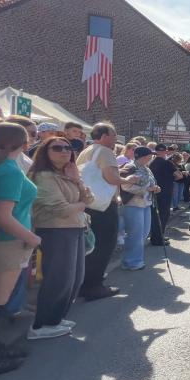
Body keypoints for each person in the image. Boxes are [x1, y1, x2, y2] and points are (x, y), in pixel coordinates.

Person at [27, 136, 93, 340]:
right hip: (54, 230)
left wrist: (77, 180)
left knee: (74, 278)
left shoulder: (67, 173)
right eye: (57, 148)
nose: (65, 151)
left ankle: (56, 317)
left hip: (74, 228)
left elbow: (90, 197)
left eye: (68, 148)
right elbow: (61, 209)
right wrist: (82, 206)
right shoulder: (43, 176)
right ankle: (42, 324)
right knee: (58, 278)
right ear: (45, 152)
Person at [0, 123, 40, 374]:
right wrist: (33, 238)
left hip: (1, 241)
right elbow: (3, 216)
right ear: (25, 144)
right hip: (9, 243)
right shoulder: (9, 169)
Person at [76, 123, 138, 300]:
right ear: (103, 136)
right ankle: (94, 286)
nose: (115, 140)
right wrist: (128, 179)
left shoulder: (86, 151)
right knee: (104, 244)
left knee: (91, 245)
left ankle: (84, 283)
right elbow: (112, 178)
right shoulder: (104, 151)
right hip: (103, 205)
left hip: (88, 203)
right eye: (113, 135)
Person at [119, 147, 160, 270]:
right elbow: (125, 186)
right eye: (149, 156)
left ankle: (133, 258)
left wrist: (156, 188)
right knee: (135, 233)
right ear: (141, 156)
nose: (151, 157)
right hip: (133, 204)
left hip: (146, 204)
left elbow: (151, 183)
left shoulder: (146, 168)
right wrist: (146, 189)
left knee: (144, 232)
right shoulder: (130, 167)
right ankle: (131, 261)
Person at [149, 143, 181, 246]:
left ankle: (155, 237)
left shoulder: (152, 163)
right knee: (164, 215)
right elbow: (179, 176)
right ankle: (159, 238)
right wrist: (172, 178)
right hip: (165, 191)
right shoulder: (168, 163)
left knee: (155, 215)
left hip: (154, 191)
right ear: (165, 152)